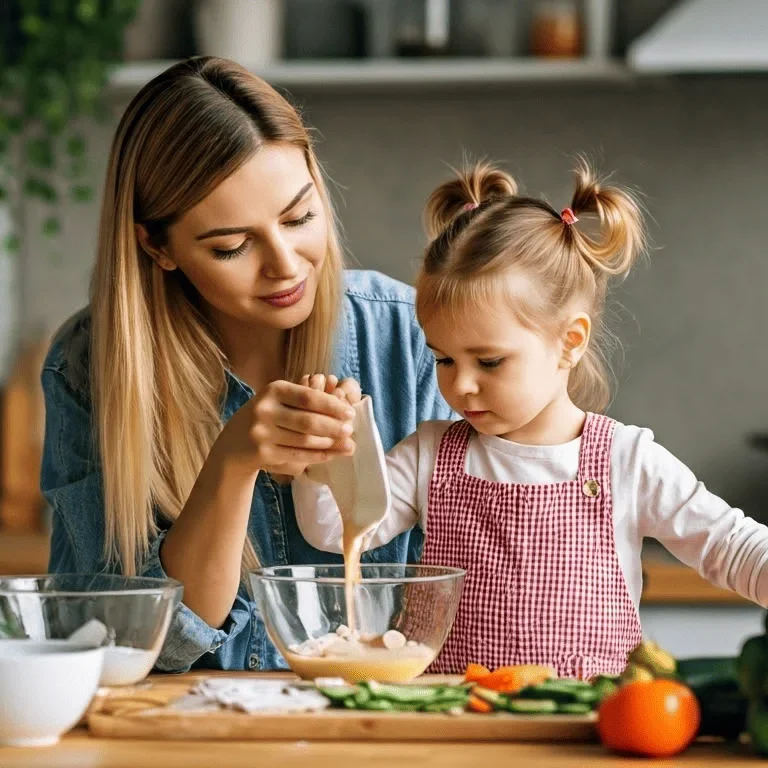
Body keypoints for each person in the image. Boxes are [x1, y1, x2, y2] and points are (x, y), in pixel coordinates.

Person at [40, 57, 452, 673]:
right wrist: (231, 464)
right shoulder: (91, 371)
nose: (285, 263)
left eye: (300, 217)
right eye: (232, 245)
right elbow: (116, 650)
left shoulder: (411, 335)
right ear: (158, 245)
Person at [295, 160, 768, 678]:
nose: (461, 384)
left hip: (585, 733)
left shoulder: (625, 462)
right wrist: (325, 454)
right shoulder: (430, 455)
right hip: (451, 728)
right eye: (444, 359)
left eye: (489, 361)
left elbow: (730, 546)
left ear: (570, 342)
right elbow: (333, 531)